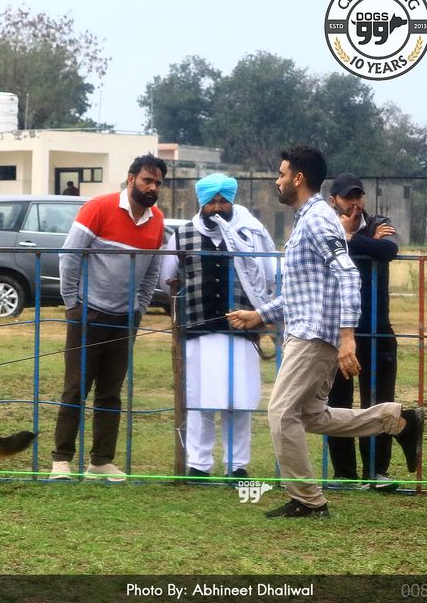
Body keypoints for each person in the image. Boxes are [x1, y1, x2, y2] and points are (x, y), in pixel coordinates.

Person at [227, 146, 424, 517]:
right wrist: (259, 315)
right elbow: (304, 290)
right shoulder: (308, 218)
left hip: (314, 336)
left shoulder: (317, 218)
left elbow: (347, 274)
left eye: (282, 174)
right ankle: (396, 420)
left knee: (281, 412)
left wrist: (347, 337)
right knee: (312, 416)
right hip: (307, 331)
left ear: (298, 178)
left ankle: (308, 500)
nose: (278, 180)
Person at [50, 153, 167, 482]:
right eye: (147, 180)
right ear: (131, 179)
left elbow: (151, 272)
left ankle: (101, 461)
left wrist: (138, 310)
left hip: (124, 319)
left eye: (158, 183)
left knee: (110, 393)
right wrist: (72, 305)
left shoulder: (157, 220)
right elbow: (69, 257)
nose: (152, 187)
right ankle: (61, 460)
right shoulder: (98, 208)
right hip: (87, 313)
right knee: (75, 389)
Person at [160, 174, 275, 483]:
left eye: (224, 201)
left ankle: (237, 465)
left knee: (239, 401)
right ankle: (199, 464)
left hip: (241, 332)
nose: (218, 207)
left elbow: (267, 276)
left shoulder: (249, 234)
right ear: (202, 203)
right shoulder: (182, 236)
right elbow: (167, 279)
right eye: (212, 202)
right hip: (198, 332)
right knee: (199, 399)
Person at [325, 173, 401, 489]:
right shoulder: (324, 226)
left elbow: (389, 249)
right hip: (337, 329)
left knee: (379, 400)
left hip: (377, 328)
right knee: (337, 402)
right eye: (347, 197)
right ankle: (344, 473)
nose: (354, 203)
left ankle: (376, 470)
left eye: (358, 196)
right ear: (334, 201)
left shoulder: (379, 222)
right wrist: (355, 239)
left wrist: (350, 238)